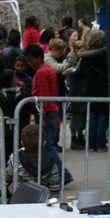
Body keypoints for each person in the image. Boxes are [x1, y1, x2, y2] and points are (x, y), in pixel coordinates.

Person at [24, 42, 73, 184]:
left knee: (47, 145)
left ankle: (63, 174)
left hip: (45, 112)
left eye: (31, 60)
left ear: (39, 58)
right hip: (51, 110)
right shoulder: (48, 70)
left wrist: (43, 116)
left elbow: (44, 96)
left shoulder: (42, 72)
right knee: (47, 144)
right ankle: (59, 174)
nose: (30, 63)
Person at [5, 123, 61, 199]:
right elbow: (55, 186)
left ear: (22, 143)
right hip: (42, 201)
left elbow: (7, 177)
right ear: (44, 143)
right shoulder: (50, 161)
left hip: (19, 201)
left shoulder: (16, 159)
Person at [75, 30, 109, 152]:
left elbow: (82, 74)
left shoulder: (84, 57)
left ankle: (91, 144)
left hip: (90, 88)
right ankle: (100, 144)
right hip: (103, 88)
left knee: (93, 116)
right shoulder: (104, 56)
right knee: (103, 116)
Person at [0, 69, 36, 159]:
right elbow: (32, 109)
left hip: (4, 131)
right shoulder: (23, 95)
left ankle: (8, 172)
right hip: (21, 130)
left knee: (7, 158)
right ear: (13, 80)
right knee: (21, 157)